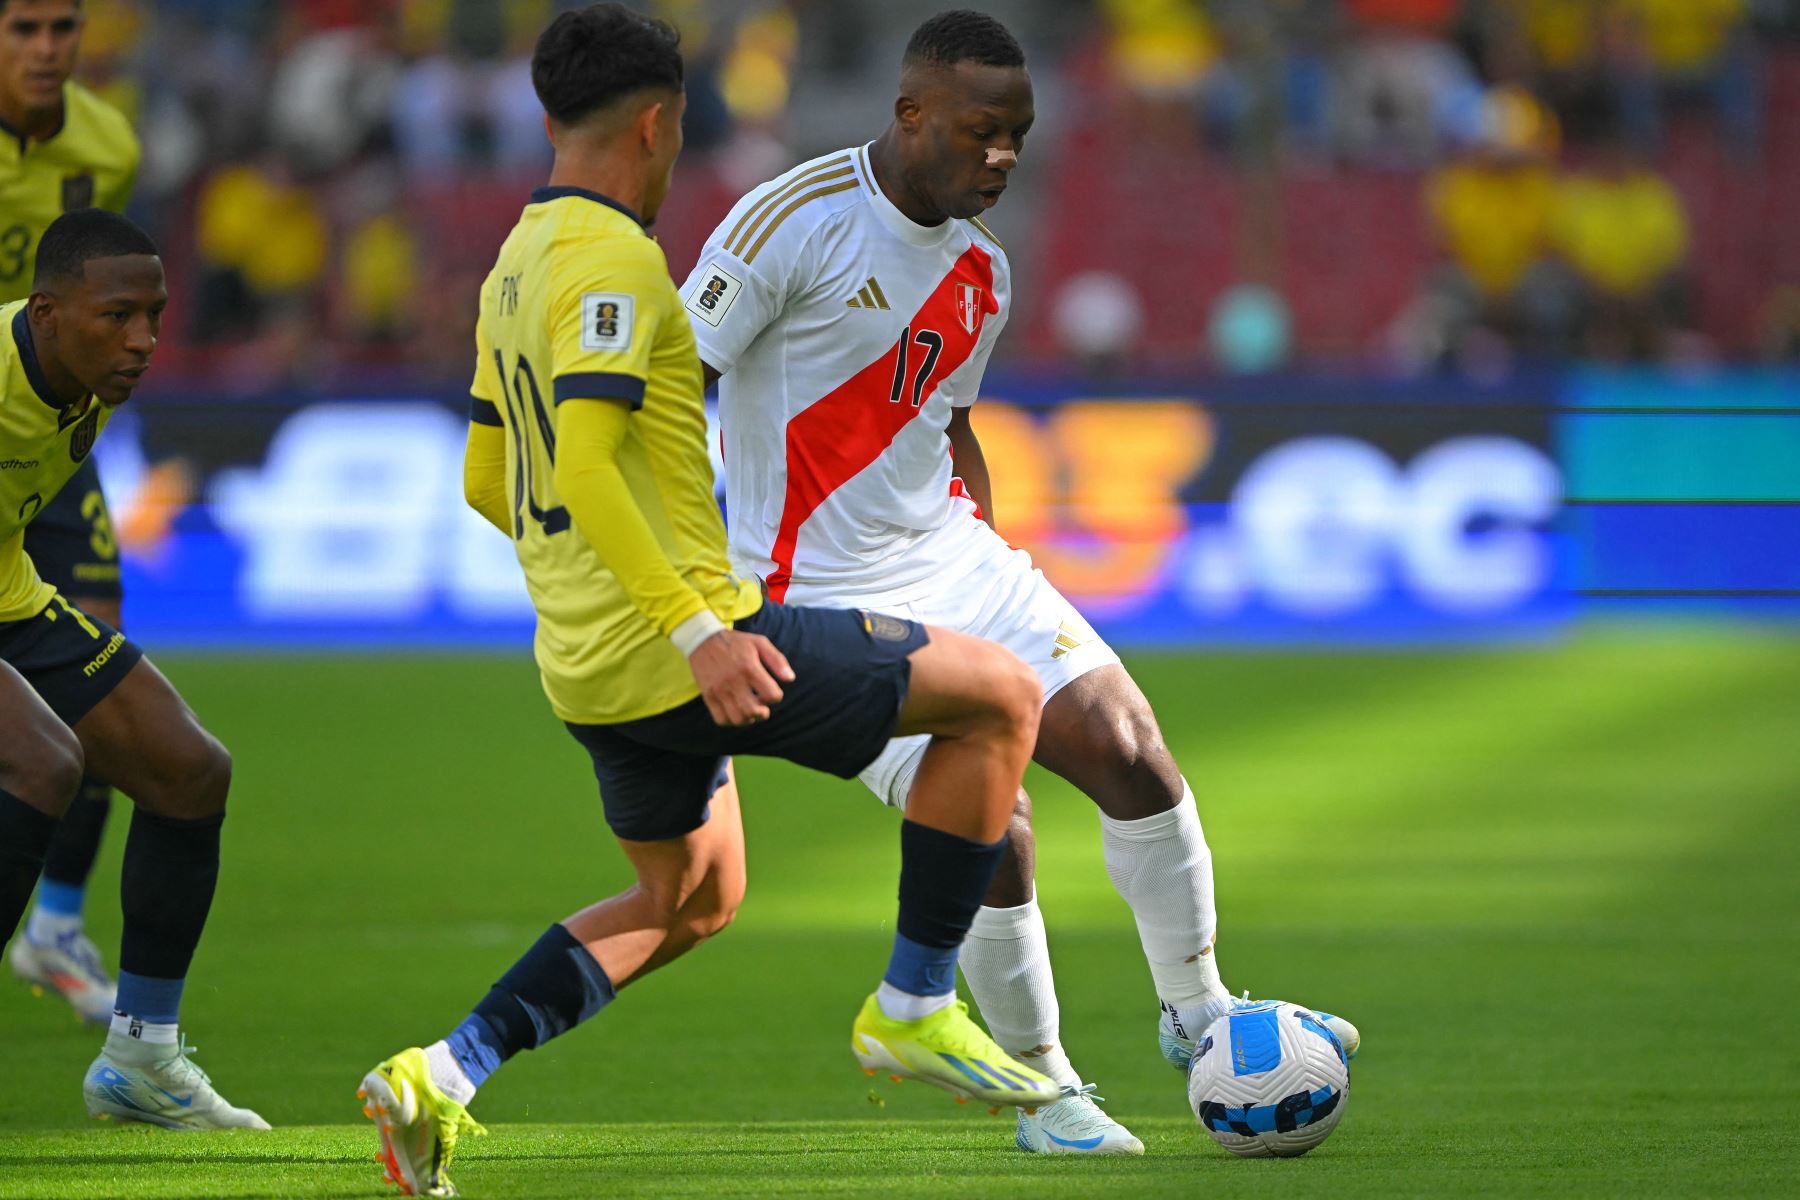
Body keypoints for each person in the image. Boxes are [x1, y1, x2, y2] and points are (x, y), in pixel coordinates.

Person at [358, 9, 1058, 1195]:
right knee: (997, 698)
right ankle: (916, 1003)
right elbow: (581, 467)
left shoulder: (514, 265)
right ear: (658, 120)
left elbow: (495, 481)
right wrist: (692, 629)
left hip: (585, 666)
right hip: (690, 641)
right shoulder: (617, 260)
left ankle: (446, 1070)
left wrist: (590, 599)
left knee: (690, 897)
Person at [682, 9, 1360, 1156]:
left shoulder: (984, 271)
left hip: (953, 558)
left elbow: (947, 420)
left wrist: (992, 560)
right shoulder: (789, 222)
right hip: (812, 595)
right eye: (978, 132)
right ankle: (1045, 1094)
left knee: (1136, 753)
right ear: (909, 116)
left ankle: (1202, 1018)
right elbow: (666, 385)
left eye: (1019, 137)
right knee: (998, 826)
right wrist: (696, 604)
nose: (1000, 157)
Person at [0, 207, 266, 1130]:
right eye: (117, 316)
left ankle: (142, 1059)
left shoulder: (80, 378)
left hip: (10, 593)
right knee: (41, 763)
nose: (144, 339)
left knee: (189, 769)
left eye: (153, 314)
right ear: (45, 314)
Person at [0, 0, 139, 1027]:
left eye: (62, 27)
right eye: (22, 29)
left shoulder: (108, 145)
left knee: (100, 664)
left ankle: (55, 920)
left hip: (51, 430)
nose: (47, 49)